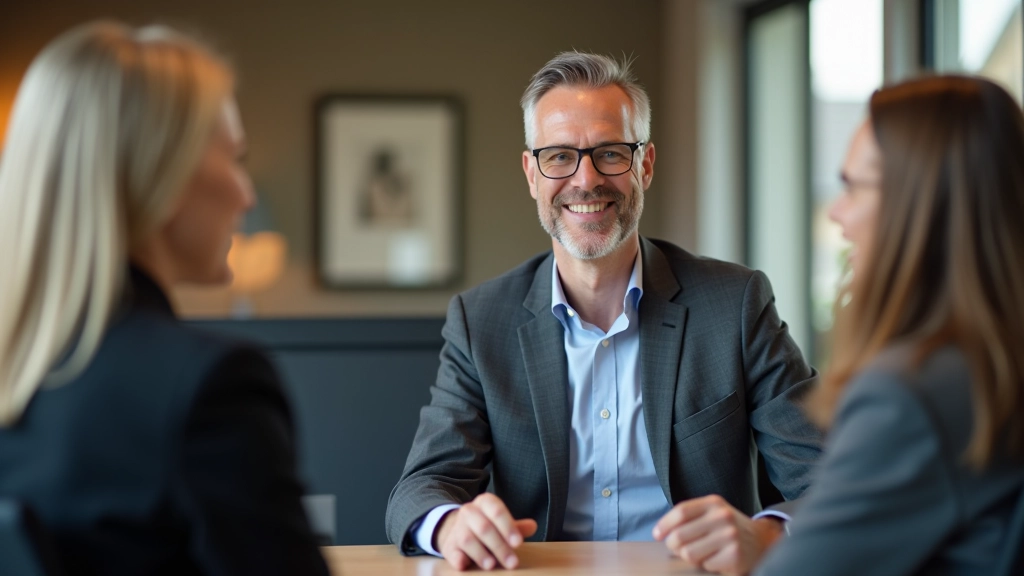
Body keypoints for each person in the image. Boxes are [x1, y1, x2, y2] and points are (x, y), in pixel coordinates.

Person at [385, 51, 823, 574]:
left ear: (646, 165)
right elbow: (419, 489)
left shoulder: (735, 304)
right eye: (559, 156)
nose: (585, 179)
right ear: (531, 173)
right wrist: (452, 524)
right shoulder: (481, 322)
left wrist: (765, 533)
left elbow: (827, 479)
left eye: (611, 153)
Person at [0, 21, 329, 576]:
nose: (247, 195)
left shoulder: (23, 378)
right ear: (164, 171)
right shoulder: (208, 385)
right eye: (235, 158)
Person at [753, 76, 1024, 575]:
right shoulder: (995, 359)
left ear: (919, 203)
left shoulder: (911, 394)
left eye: (853, 187)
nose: (838, 213)